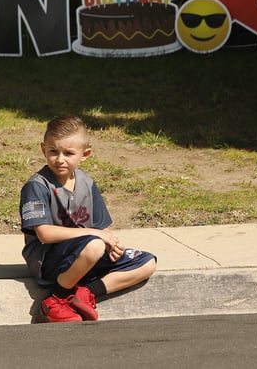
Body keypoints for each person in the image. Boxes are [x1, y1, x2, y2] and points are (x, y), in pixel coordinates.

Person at [19, 115, 157, 322]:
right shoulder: (37, 186)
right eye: (53, 151)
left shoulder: (87, 183)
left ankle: (85, 293)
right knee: (94, 244)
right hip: (47, 260)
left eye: (69, 153)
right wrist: (96, 235)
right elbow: (44, 234)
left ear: (85, 154)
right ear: (43, 149)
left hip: (85, 253)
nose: (60, 159)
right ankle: (56, 298)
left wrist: (113, 245)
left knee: (146, 262)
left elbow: (102, 228)